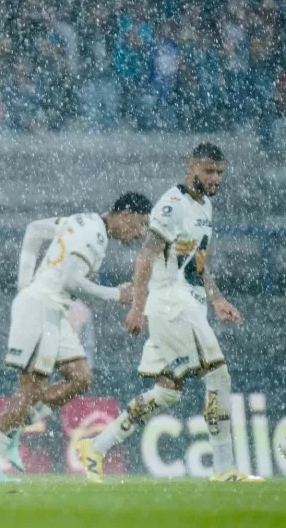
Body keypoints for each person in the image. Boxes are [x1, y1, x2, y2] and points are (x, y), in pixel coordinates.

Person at [78, 142, 263, 483]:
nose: (215, 178)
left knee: (167, 391)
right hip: (171, 303)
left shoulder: (205, 207)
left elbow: (199, 262)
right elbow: (145, 255)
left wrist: (217, 299)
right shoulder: (172, 204)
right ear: (191, 167)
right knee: (218, 375)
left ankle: (96, 446)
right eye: (208, 171)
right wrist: (137, 306)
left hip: (190, 302)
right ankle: (224, 469)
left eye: (220, 172)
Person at [0, 193, 152, 482]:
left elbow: (33, 230)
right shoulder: (95, 234)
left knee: (80, 377)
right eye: (140, 224)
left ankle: (11, 428)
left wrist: (24, 282)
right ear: (125, 214)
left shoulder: (81, 220)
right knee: (30, 391)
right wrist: (117, 294)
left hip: (53, 310)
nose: (139, 233)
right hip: (43, 308)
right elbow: (72, 281)